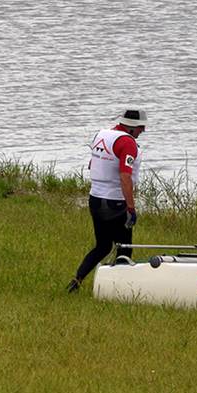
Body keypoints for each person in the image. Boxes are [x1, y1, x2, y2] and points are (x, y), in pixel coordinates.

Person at [67, 108, 145, 292]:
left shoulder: (101, 135)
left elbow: (92, 164)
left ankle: (77, 280)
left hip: (95, 199)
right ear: (132, 127)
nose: (143, 131)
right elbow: (125, 177)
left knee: (102, 246)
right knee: (125, 248)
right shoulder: (128, 143)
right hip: (115, 202)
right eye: (141, 127)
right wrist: (131, 208)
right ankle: (118, 290)